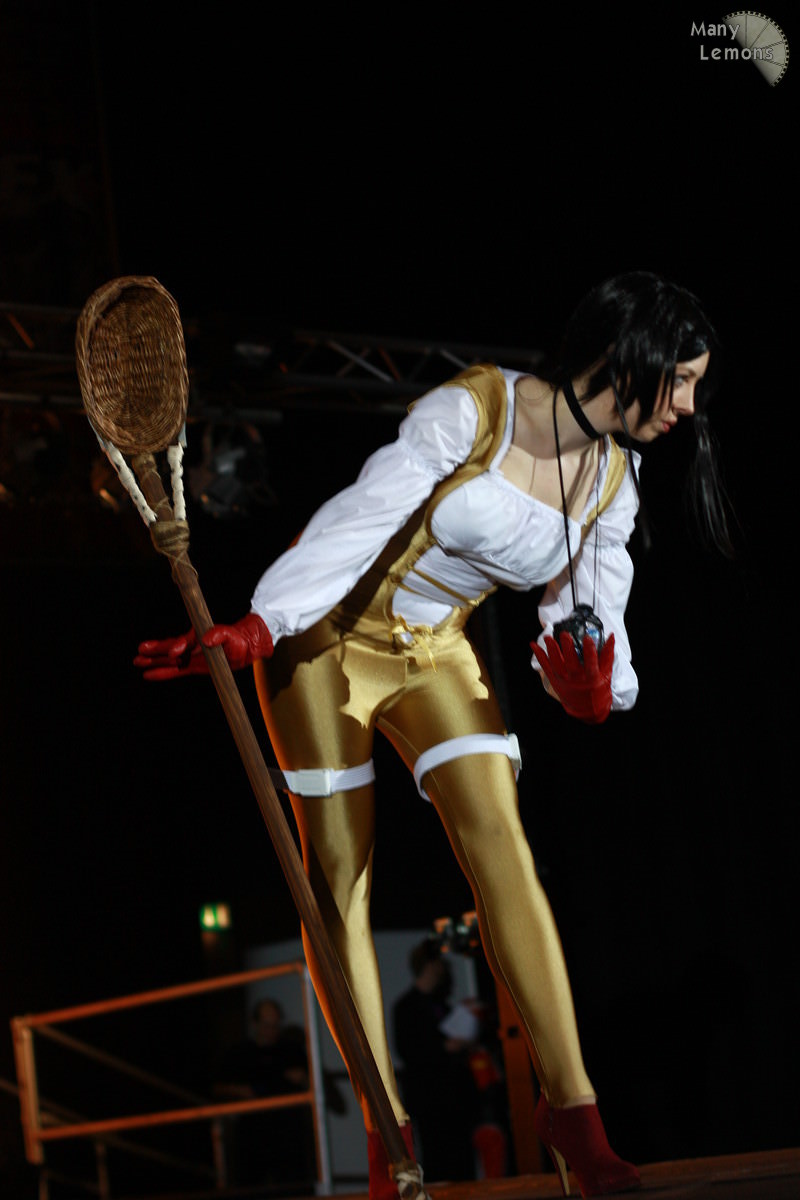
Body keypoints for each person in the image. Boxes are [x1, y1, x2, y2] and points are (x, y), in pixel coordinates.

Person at [136, 272, 732, 1199]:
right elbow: (367, 512)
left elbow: (586, 619)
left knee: (506, 850)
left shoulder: (613, 482)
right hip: (326, 632)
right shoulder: (476, 409)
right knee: (340, 884)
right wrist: (266, 621)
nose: (688, 406)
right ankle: (392, 1139)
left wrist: (590, 689)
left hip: (436, 649)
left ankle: (576, 1118)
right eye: (682, 379)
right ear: (631, 356)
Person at [393, 941, 480, 1182]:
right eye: (440, 962)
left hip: (454, 1095)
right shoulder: (406, 1007)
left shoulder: (440, 1004)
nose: (444, 968)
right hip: (429, 1098)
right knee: (437, 1158)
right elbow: (407, 1050)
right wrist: (444, 1047)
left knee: (462, 1160)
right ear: (430, 965)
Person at [212, 997, 315, 1188]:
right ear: (255, 1024)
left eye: (276, 1025)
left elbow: (319, 1089)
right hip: (253, 1137)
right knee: (254, 1188)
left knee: (294, 1187)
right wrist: (238, 1091)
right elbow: (217, 1087)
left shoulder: (291, 1050)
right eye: (267, 1025)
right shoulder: (240, 1053)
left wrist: (303, 1078)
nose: (272, 1031)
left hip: (288, 1138)